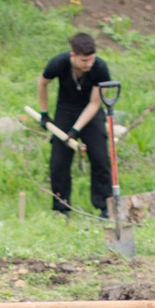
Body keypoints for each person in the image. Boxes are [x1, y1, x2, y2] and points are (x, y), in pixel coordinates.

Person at [37, 31, 113, 218]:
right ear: (73, 55)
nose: (88, 64)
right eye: (84, 61)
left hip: (91, 113)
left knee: (100, 159)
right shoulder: (59, 63)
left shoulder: (100, 68)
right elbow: (42, 82)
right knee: (59, 162)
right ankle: (61, 208)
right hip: (65, 110)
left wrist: (75, 130)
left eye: (91, 59)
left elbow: (95, 103)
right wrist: (44, 113)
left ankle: (104, 206)